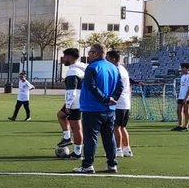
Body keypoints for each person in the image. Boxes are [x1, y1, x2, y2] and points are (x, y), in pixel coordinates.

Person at [73, 43, 122, 174]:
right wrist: (113, 99)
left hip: (92, 108)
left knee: (90, 137)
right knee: (108, 136)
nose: (88, 55)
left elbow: (91, 86)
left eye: (90, 52)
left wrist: (105, 99)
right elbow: (120, 86)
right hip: (109, 110)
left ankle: (88, 165)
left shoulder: (92, 67)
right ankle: (112, 164)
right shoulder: (113, 67)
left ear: (95, 53)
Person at [56, 47, 86, 158]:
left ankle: (77, 153)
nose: (63, 59)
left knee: (77, 128)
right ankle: (67, 137)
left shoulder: (73, 71)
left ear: (70, 57)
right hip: (79, 100)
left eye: (64, 56)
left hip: (75, 102)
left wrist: (68, 104)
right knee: (61, 115)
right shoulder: (82, 68)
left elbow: (72, 90)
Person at [105, 51, 133, 157]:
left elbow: (116, 87)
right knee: (122, 127)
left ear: (113, 59)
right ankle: (127, 149)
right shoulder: (123, 69)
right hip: (126, 102)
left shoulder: (117, 70)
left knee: (116, 127)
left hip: (119, 103)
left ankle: (118, 149)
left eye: (107, 59)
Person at [173, 62, 189, 131]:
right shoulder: (182, 76)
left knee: (186, 111)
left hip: (187, 96)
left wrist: (186, 98)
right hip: (181, 95)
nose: (182, 69)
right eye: (182, 68)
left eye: (183, 68)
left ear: (188, 68)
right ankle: (180, 125)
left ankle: (186, 126)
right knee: (178, 110)